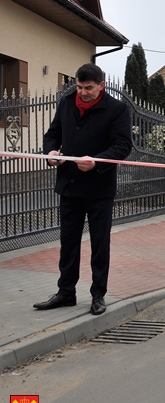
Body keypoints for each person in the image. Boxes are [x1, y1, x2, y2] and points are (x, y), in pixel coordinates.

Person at [35, 63, 133, 316]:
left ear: (101, 85)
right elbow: (52, 135)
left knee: (100, 243)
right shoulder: (67, 103)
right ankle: (65, 292)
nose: (83, 92)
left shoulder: (117, 109)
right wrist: (51, 152)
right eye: (79, 87)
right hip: (69, 185)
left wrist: (97, 161)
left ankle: (98, 294)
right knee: (68, 243)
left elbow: (122, 146)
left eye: (88, 88)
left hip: (99, 188)